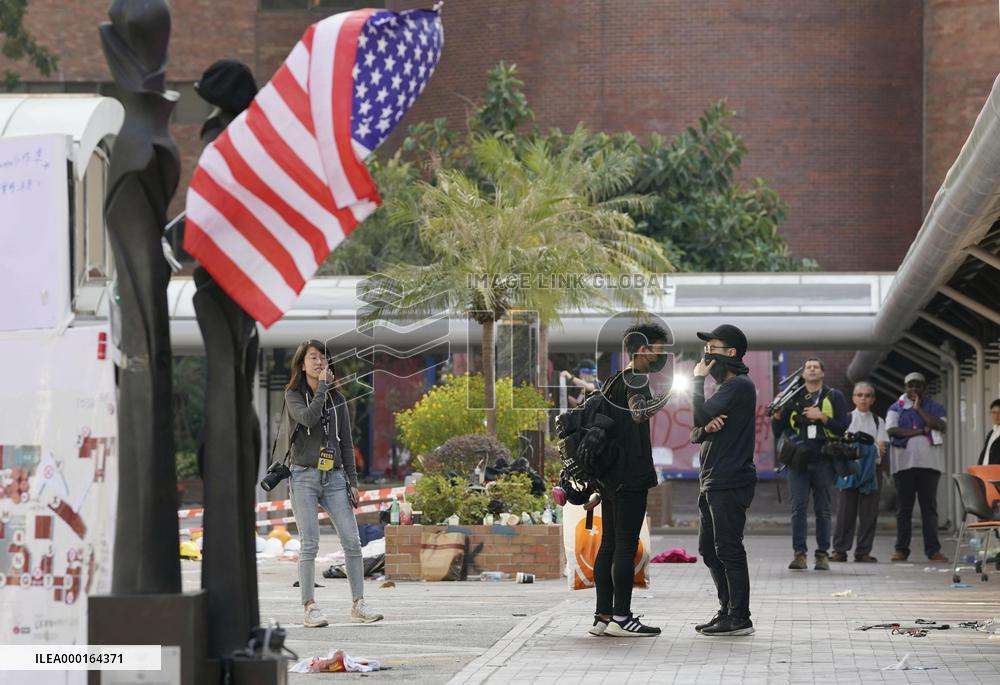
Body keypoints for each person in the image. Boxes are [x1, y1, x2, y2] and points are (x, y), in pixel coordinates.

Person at [282, 339, 383, 627]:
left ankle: (358, 603)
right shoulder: (293, 395)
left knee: (352, 542)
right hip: (303, 476)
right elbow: (309, 419)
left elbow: (347, 443)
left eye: (323, 357)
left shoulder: (338, 399)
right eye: (313, 358)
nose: (319, 362)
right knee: (309, 544)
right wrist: (323, 388)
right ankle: (310, 607)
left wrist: (352, 480)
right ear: (302, 365)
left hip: (335, 476)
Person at [590, 323, 670, 638]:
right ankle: (622, 617)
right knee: (626, 545)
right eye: (658, 348)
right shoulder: (636, 379)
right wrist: (669, 396)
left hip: (609, 475)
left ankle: (602, 617)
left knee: (609, 544)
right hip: (630, 474)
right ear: (642, 349)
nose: (661, 354)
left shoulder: (612, 381)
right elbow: (639, 414)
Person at [689, 324, 758, 637]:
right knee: (709, 549)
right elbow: (696, 431)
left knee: (728, 548)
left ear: (731, 353)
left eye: (714, 349)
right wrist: (705, 427)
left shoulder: (739, 386)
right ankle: (726, 610)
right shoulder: (725, 390)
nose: (707, 355)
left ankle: (740, 617)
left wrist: (697, 380)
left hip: (730, 479)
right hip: (712, 480)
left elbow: (696, 417)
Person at [771, 358, 849, 571]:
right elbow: (779, 431)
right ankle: (799, 554)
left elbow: (842, 427)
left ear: (823, 373)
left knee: (823, 509)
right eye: (808, 367)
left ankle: (822, 554)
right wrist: (777, 416)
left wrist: (822, 417)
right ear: (803, 373)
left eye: (816, 366)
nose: (812, 369)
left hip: (824, 458)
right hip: (798, 461)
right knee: (798, 509)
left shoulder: (834, 396)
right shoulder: (793, 397)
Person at [886, 372, 948, 562]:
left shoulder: (935, 407)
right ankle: (901, 549)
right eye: (910, 385)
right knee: (904, 509)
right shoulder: (896, 408)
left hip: (930, 465)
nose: (914, 389)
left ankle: (933, 550)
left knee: (929, 508)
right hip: (903, 465)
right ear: (905, 387)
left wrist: (919, 409)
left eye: (918, 385)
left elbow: (939, 425)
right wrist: (920, 431)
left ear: (924, 388)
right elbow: (892, 430)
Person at [831, 382, 888, 563]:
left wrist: (860, 449)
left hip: (872, 471)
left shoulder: (879, 421)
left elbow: (881, 450)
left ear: (873, 399)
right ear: (853, 398)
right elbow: (840, 446)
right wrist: (869, 449)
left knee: (869, 513)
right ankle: (840, 550)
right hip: (849, 470)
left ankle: (863, 551)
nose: (863, 398)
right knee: (845, 512)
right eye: (860, 395)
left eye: (867, 395)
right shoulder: (845, 419)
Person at [979, 398, 1000, 466]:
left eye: (999, 413)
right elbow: (985, 453)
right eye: (994, 412)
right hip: (985, 474)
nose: (996, 416)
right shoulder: (992, 433)